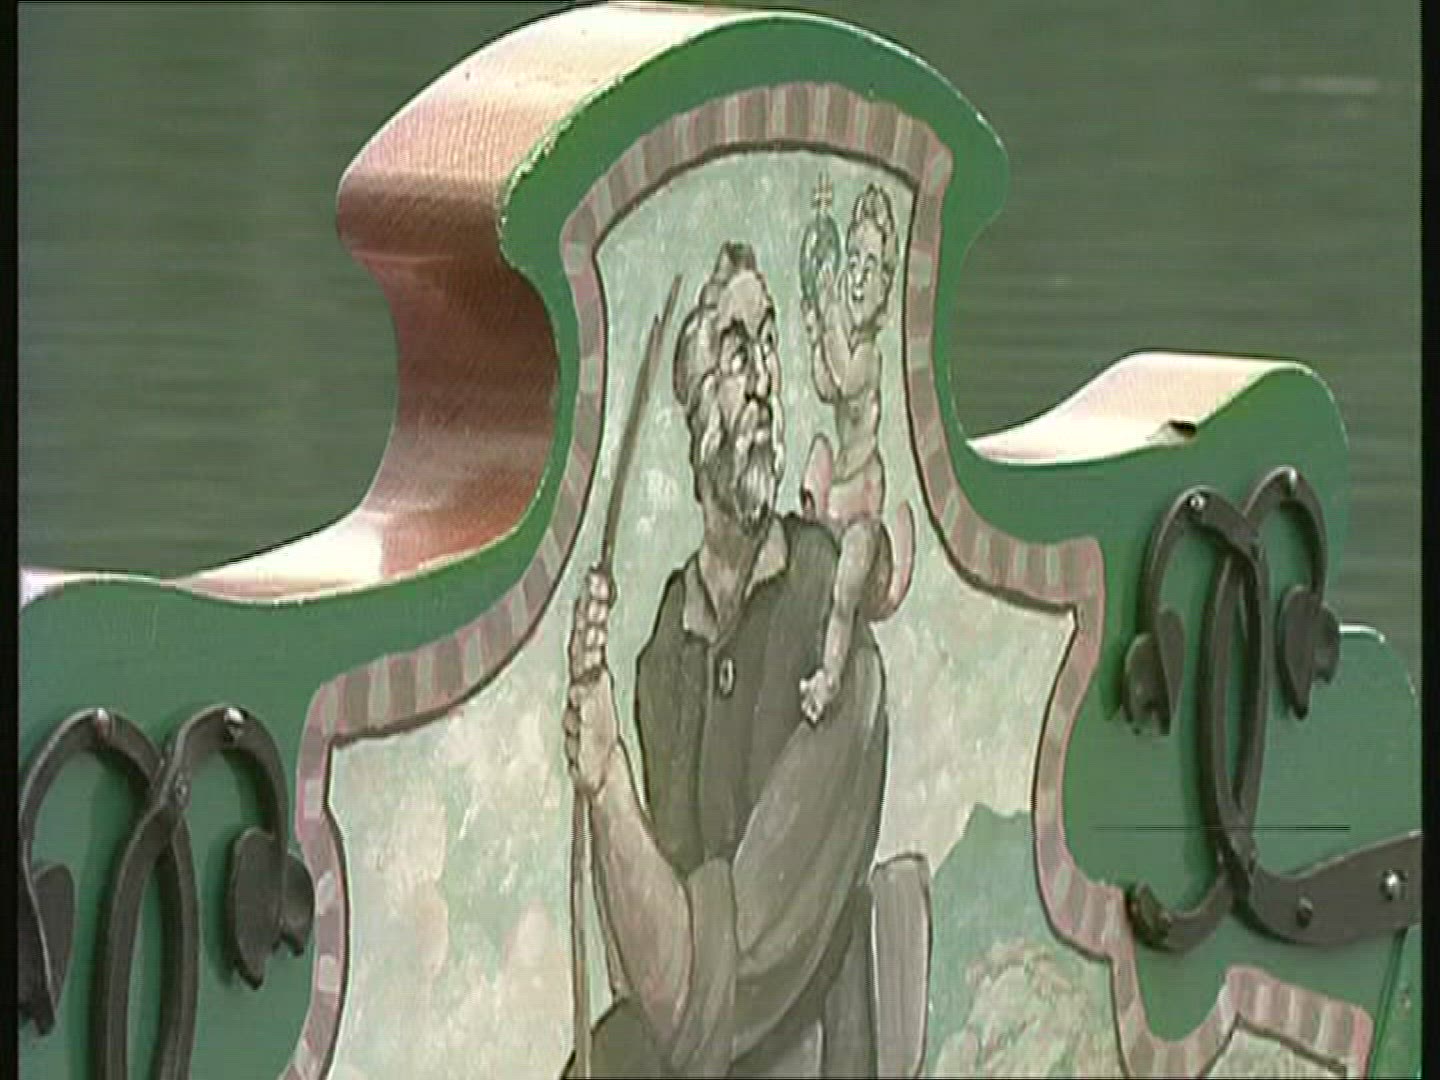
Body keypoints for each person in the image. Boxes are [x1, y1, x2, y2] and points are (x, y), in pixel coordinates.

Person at [561, 242, 915, 1077]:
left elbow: (710, 997)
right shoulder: (665, 654)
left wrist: (608, 783)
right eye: (732, 354)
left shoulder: (829, 621)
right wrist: (606, 785)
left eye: (768, 347)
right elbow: (646, 963)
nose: (761, 378)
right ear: (692, 408)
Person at [798, 183, 912, 723]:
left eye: (872, 265)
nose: (860, 276)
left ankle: (829, 677)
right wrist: (814, 330)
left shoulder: (868, 355)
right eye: (853, 261)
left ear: (887, 285)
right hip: (836, 493)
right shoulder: (846, 340)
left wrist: (827, 310)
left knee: (845, 590)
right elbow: (825, 384)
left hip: (862, 506)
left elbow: (844, 377)